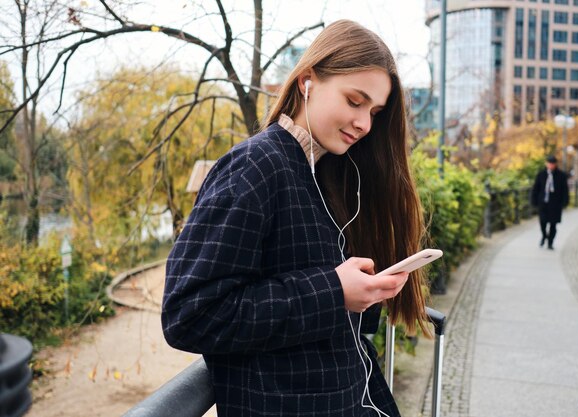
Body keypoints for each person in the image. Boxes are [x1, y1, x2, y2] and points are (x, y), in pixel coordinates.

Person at [162, 20, 433, 417]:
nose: (365, 123)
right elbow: (190, 314)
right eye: (354, 101)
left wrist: (366, 291)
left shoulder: (333, 174)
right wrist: (334, 291)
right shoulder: (254, 167)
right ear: (308, 80)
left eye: (374, 111)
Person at [531, 155, 569, 250]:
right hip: (543, 203)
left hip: (555, 204)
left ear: (555, 164)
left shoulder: (561, 176)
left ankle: (550, 242)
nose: (551, 165)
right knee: (542, 222)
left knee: (553, 224)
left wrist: (565, 202)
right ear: (546, 164)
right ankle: (544, 236)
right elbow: (536, 189)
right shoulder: (541, 175)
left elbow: (565, 190)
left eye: (552, 164)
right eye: (549, 163)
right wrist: (534, 200)